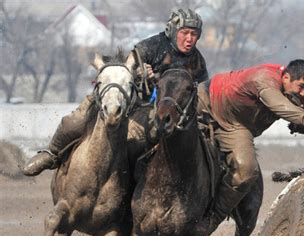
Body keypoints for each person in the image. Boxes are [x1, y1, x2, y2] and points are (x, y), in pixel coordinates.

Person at [23, 8, 208, 176]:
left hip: (169, 115)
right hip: (134, 105)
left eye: (194, 34)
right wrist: (139, 73)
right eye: (185, 33)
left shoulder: (197, 61)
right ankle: (51, 153)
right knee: (78, 119)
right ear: (172, 31)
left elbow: (202, 92)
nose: (190, 39)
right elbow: (125, 69)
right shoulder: (150, 47)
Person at [195, 59, 304, 236]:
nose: (303, 93)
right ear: (286, 77)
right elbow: (278, 104)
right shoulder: (264, 78)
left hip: (236, 126)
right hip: (205, 101)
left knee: (246, 170)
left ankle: (211, 220)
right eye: (300, 87)